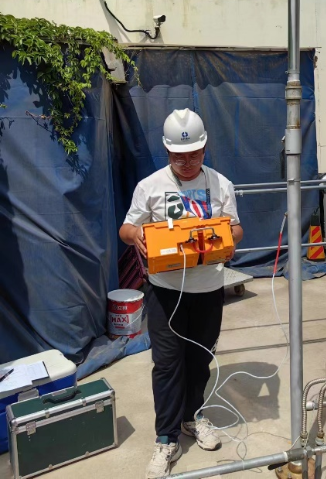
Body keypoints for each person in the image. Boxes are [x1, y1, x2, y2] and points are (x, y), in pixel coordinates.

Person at [119, 108, 243, 479]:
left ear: (204, 148)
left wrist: (229, 241)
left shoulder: (221, 184)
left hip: (208, 288)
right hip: (166, 291)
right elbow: (127, 228)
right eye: (178, 157)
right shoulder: (150, 186)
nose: (187, 163)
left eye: (193, 155)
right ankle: (166, 438)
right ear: (167, 151)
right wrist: (137, 236)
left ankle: (192, 417)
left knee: (199, 359)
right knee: (168, 364)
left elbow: (236, 228)